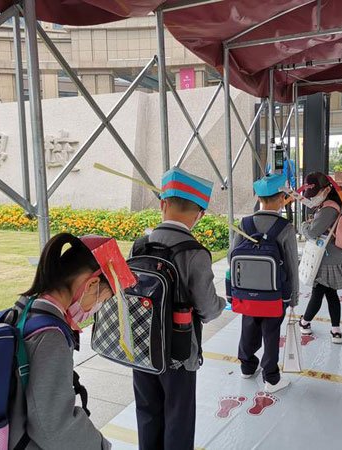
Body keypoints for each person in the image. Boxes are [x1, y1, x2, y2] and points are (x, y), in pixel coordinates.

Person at [133, 167, 225, 450]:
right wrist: (222, 303)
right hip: (179, 352)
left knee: (147, 412)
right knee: (179, 416)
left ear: (163, 205)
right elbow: (208, 309)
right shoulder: (194, 252)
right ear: (200, 215)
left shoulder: (140, 245)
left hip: (141, 347)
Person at [8, 232, 117, 449]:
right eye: (101, 300)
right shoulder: (50, 337)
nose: (95, 309)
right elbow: (53, 427)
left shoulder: (23, 309)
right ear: (92, 284)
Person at [230, 173, 299, 393]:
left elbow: (232, 257)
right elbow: (291, 266)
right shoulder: (285, 228)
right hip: (274, 294)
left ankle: (247, 366)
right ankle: (271, 378)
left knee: (248, 327)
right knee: (271, 333)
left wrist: (233, 292)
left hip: (246, 293)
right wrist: (293, 297)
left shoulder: (245, 223)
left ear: (260, 198)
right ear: (281, 199)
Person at [298, 172, 342, 344]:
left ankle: (305, 321)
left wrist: (303, 226)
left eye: (314, 194)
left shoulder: (329, 208)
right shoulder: (335, 204)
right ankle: (335, 330)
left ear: (326, 190)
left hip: (327, 258)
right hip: (334, 255)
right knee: (331, 294)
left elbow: (313, 232)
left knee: (318, 292)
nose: (312, 198)